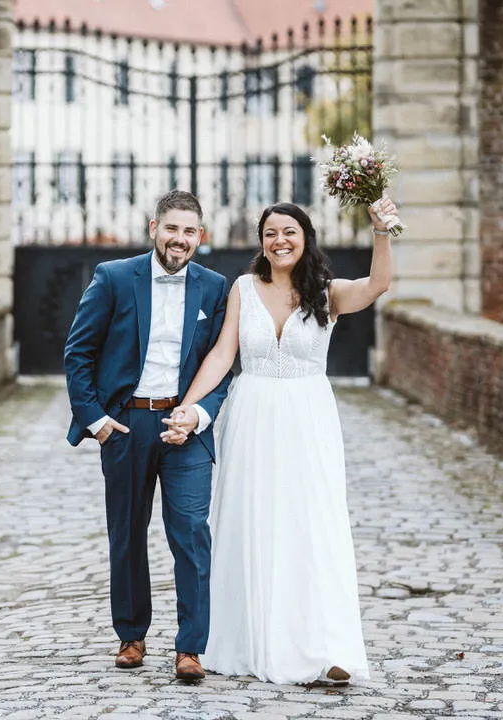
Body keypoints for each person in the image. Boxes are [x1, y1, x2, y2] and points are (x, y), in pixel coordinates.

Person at [161, 199, 396, 685]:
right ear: (262, 242)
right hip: (252, 415)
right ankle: (248, 639)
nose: (280, 240)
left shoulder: (327, 294)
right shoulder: (244, 289)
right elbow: (224, 353)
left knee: (311, 524)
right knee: (254, 521)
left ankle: (326, 646)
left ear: (305, 238)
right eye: (270, 233)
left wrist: (380, 232)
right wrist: (187, 405)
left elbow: (378, 285)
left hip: (309, 417)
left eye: (289, 231)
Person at [64, 190, 233, 681]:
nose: (180, 239)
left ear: (200, 237)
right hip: (127, 425)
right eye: (172, 228)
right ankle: (131, 636)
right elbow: (78, 353)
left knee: (191, 535)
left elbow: (221, 369)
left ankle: (190, 648)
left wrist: (199, 415)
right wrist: (96, 422)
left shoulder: (216, 287)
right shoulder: (114, 278)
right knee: (127, 533)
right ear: (153, 228)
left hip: (186, 428)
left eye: (190, 231)